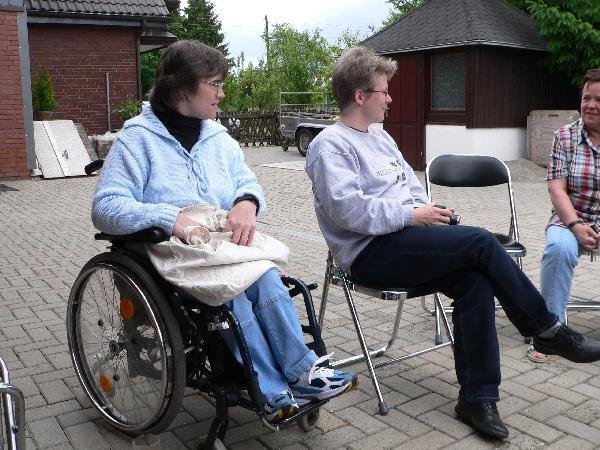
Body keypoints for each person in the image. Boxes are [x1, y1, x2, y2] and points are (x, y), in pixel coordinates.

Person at [305, 46, 600, 440]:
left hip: (407, 241)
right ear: (360, 96)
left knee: (474, 280)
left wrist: (429, 211)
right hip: (369, 254)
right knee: (480, 243)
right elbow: (349, 211)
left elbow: (409, 188)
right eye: (384, 91)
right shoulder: (330, 145)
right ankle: (546, 328)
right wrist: (413, 216)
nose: (390, 99)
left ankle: (478, 399)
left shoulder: (380, 137)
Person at [91, 40, 357, 423]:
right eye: (214, 84)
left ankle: (304, 373)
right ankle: (269, 390)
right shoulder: (137, 140)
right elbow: (105, 207)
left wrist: (247, 202)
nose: (222, 93)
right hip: (175, 252)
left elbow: (245, 181)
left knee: (267, 276)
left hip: (221, 246)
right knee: (232, 294)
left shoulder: (218, 138)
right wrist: (170, 218)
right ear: (181, 89)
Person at [528, 68, 600, 363]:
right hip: (569, 217)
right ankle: (551, 334)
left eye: (599, 99)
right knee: (558, 248)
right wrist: (575, 224)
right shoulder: (565, 136)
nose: (590, 105)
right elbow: (557, 188)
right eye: (586, 98)